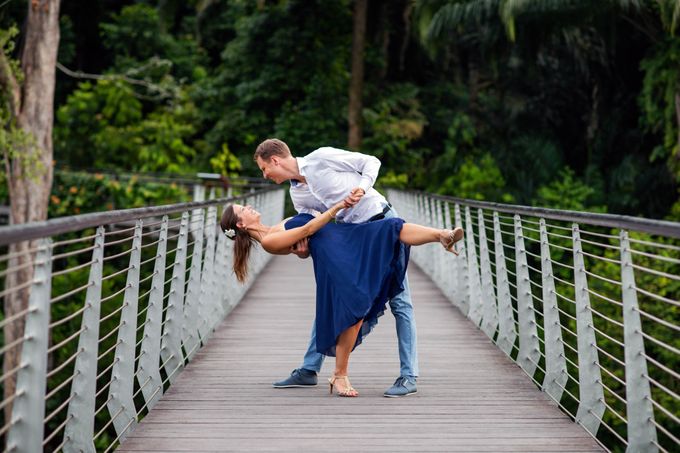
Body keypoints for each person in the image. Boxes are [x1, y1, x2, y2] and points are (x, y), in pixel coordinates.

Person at [253, 138, 443, 397]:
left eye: (265, 169)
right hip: (353, 237)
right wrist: (302, 251)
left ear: (275, 160)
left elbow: (371, 162)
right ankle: (310, 370)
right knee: (332, 299)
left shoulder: (321, 157)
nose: (265, 175)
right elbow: (313, 227)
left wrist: (363, 189)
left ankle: (408, 376)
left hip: (381, 221)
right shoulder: (296, 193)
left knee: (401, 302)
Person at [220, 199, 462, 397]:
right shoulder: (269, 241)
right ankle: (339, 375)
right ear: (240, 224)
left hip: (343, 239)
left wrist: (303, 252)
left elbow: (303, 245)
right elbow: (307, 230)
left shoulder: (276, 226)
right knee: (355, 306)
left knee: (391, 227)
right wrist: (337, 207)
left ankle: (441, 235)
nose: (249, 206)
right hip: (335, 256)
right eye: (243, 209)